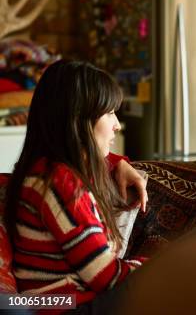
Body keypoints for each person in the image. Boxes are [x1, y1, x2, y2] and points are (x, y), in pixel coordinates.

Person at [3, 60, 150, 312]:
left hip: (67, 302)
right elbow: (106, 277)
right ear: (78, 119)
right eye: (109, 113)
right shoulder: (61, 182)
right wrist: (156, 265)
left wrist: (120, 163)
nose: (116, 124)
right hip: (70, 306)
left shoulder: (44, 171)